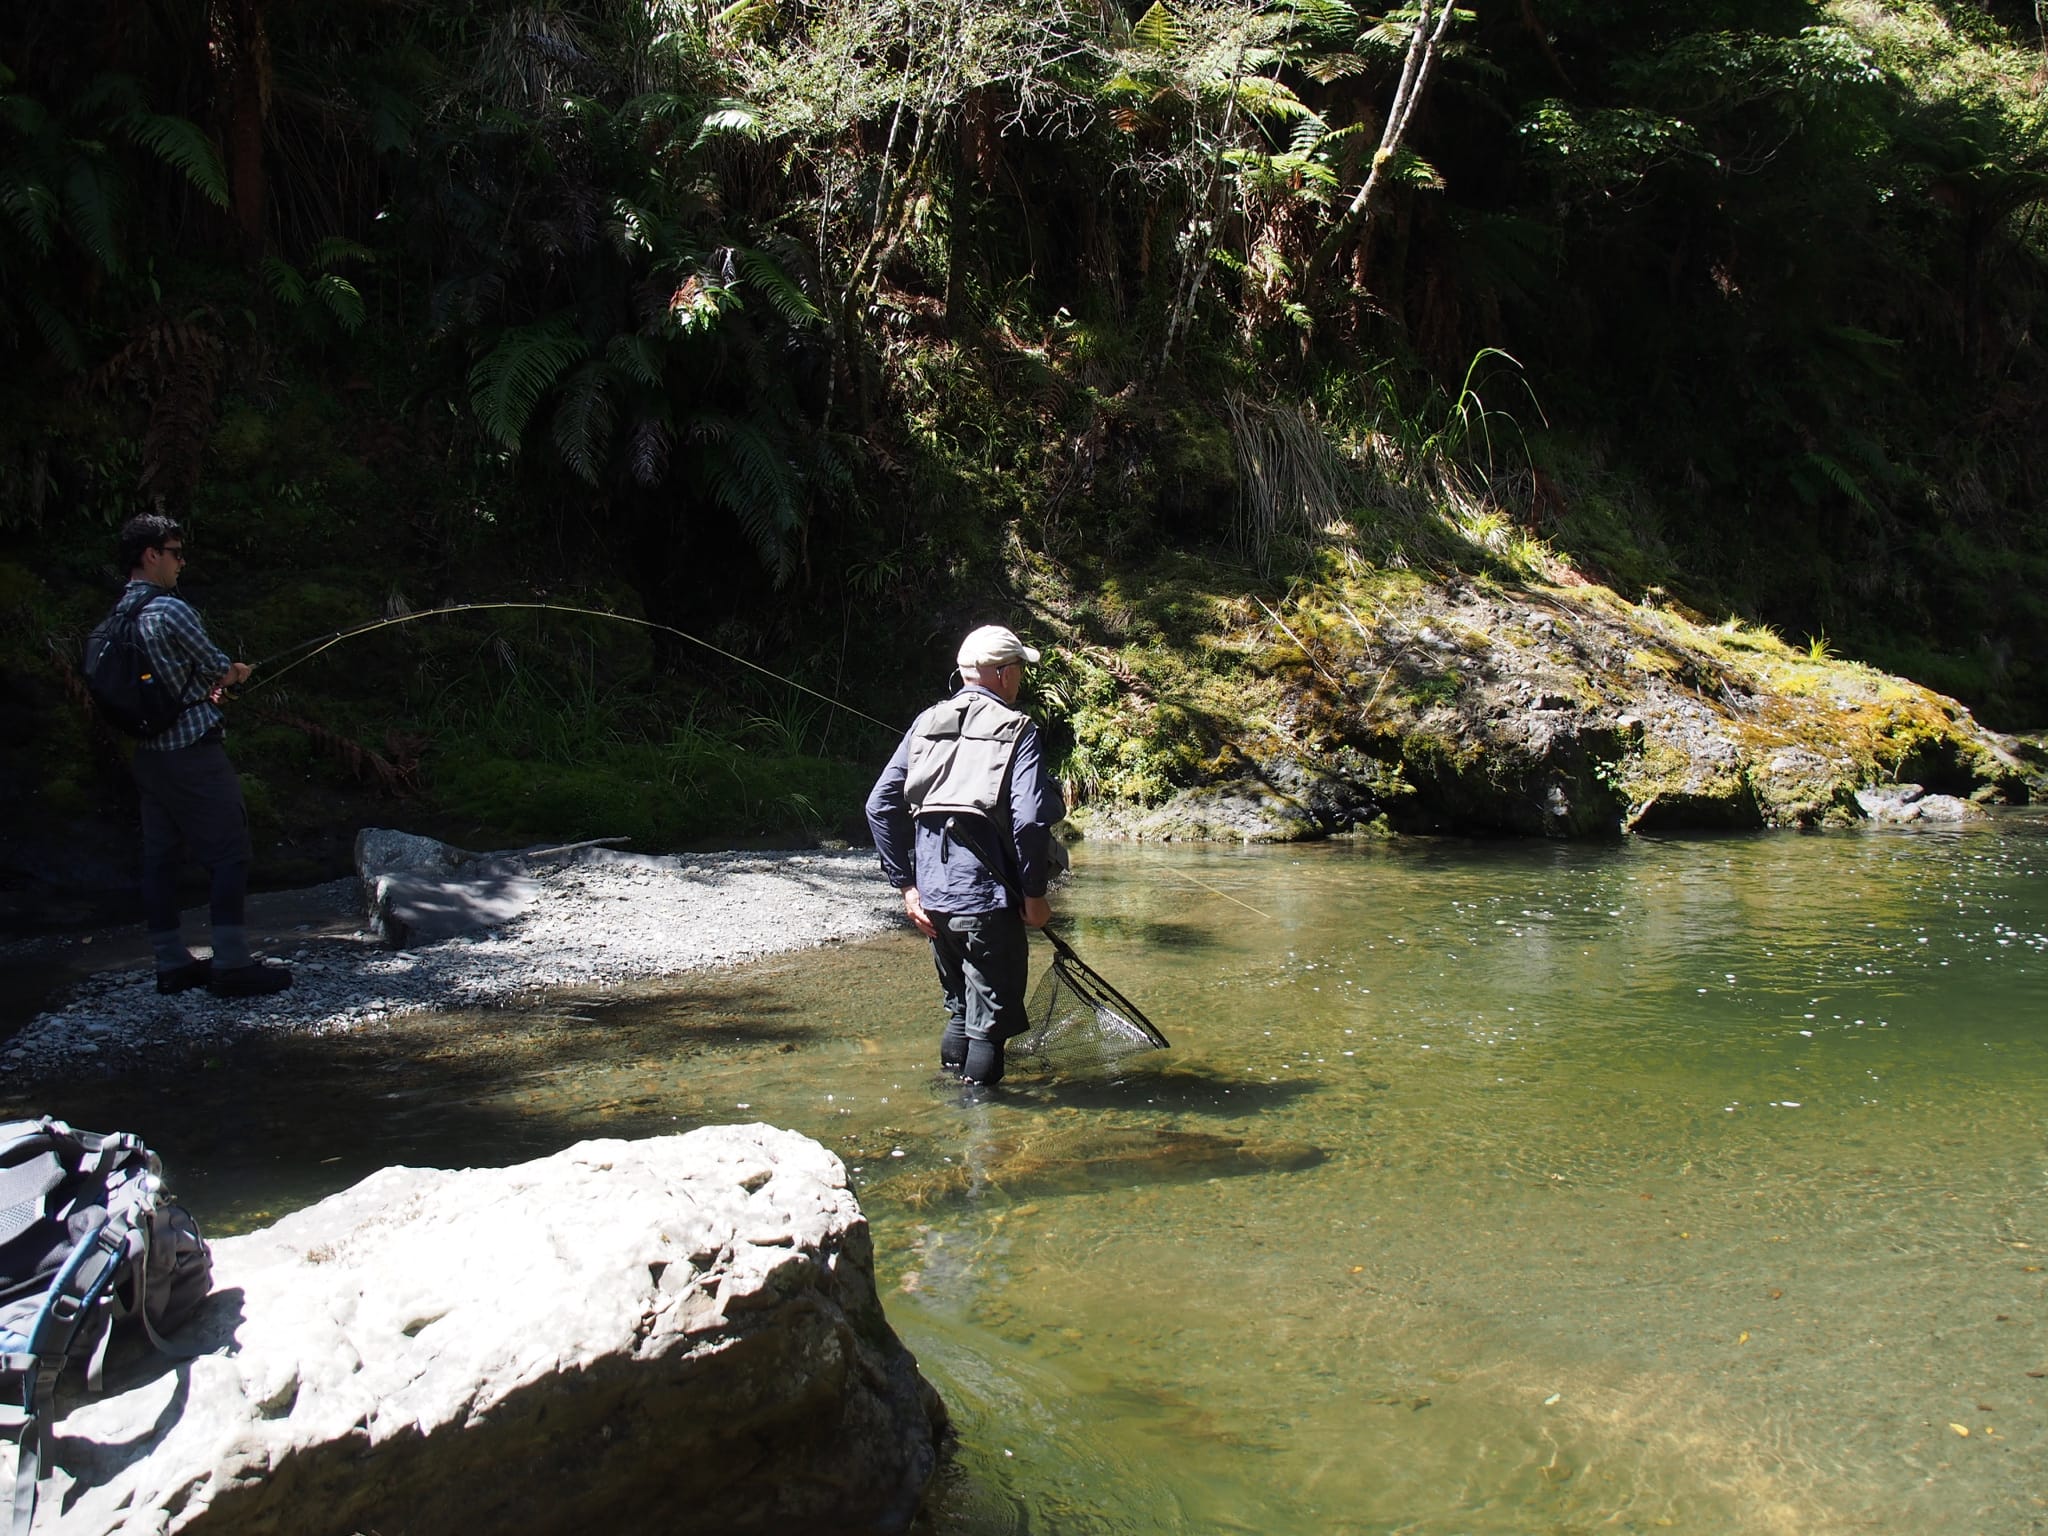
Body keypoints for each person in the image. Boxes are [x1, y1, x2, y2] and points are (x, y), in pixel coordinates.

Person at [866, 624, 1066, 1086]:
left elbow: (879, 805)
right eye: (1017, 668)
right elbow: (1031, 820)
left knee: (960, 1007)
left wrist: (907, 888)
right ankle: (983, 1133)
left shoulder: (925, 722)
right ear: (998, 673)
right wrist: (1034, 897)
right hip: (988, 901)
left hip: (933, 900)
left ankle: (949, 1106)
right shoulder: (1020, 729)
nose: (1020, 678)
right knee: (989, 1026)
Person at [112, 513, 292, 998]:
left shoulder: (119, 617)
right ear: (151, 555)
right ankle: (232, 965)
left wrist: (207, 689)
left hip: (149, 758)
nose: (180, 562)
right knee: (230, 853)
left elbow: (168, 687)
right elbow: (216, 667)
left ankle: (171, 965)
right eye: (175, 552)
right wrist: (235, 674)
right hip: (192, 755)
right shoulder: (169, 610)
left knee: (160, 861)